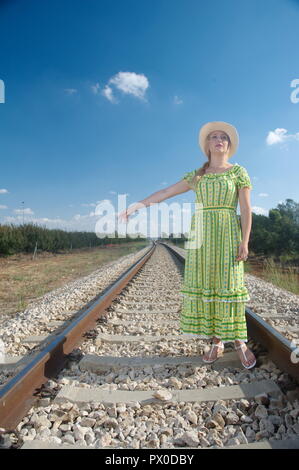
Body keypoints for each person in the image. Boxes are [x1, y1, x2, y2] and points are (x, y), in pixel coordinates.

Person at [118, 121, 256, 369]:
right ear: (207, 145)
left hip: (227, 233)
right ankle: (216, 341)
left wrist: (244, 241)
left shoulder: (238, 172)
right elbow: (165, 193)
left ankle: (239, 341)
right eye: (214, 136)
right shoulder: (197, 175)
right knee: (208, 283)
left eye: (223, 137)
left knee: (231, 284)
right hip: (201, 236)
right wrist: (136, 206)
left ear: (228, 144)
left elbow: (246, 209)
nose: (219, 140)